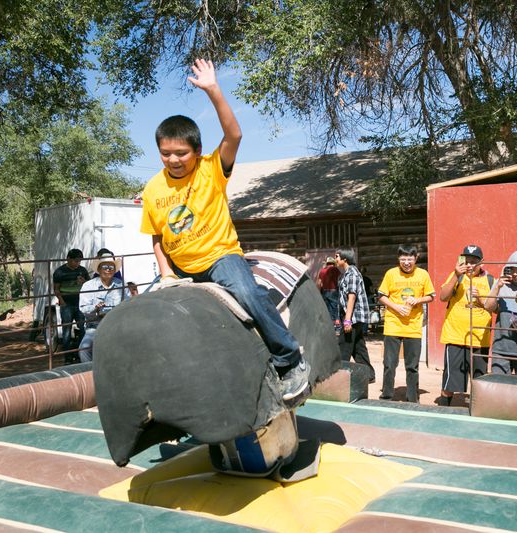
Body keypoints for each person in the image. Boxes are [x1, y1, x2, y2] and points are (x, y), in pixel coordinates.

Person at [139, 58, 308, 406]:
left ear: (197, 151)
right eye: (166, 154)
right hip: (180, 268)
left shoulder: (211, 169)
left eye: (181, 153)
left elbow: (234, 134)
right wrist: (166, 273)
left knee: (248, 294)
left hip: (220, 257)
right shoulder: (153, 189)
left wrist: (213, 90)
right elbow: (157, 237)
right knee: (145, 314)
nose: (173, 160)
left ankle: (290, 359)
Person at [437, 245, 494, 406]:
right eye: (466, 261)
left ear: (481, 263)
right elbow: (443, 297)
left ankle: (478, 410)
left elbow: (494, 307)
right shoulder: (457, 276)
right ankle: (444, 409)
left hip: (479, 339)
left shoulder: (490, 280)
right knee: (450, 379)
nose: (469, 265)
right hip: (456, 336)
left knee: (479, 379)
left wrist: (481, 299)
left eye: (473, 262)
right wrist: (456, 275)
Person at [377, 245, 435, 402]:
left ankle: (412, 397)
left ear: (416, 258)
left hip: (413, 326)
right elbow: (381, 296)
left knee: (412, 366)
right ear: (398, 259)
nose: (407, 262)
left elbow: (431, 296)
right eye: (403, 259)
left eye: (410, 259)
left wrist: (418, 300)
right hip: (393, 325)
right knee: (389, 364)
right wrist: (396, 307)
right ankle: (387, 395)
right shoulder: (391, 274)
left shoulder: (423, 274)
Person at [484, 250, 517, 377]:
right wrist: (497, 287)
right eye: (512, 269)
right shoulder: (501, 285)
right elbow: (488, 307)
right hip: (501, 348)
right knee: (499, 388)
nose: (515, 273)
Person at [78, 252, 131, 363]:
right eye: (105, 266)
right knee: (84, 349)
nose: (108, 269)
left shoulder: (121, 285)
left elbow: (128, 305)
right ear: (99, 269)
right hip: (94, 327)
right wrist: (95, 308)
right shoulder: (88, 286)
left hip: (116, 326)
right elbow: (83, 308)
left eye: (111, 267)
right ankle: (91, 372)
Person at [335, 248, 375, 382]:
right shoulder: (344, 275)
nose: (335, 259)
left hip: (354, 317)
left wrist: (347, 321)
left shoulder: (352, 274)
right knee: (358, 347)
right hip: (350, 316)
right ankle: (368, 375)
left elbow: (351, 297)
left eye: (337, 257)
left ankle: (338, 376)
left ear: (344, 259)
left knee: (344, 346)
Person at [52, 248, 89, 359]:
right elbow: (56, 289)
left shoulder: (82, 270)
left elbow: (90, 284)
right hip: (67, 303)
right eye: (75, 261)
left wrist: (84, 282)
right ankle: (67, 356)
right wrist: (62, 302)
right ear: (68, 259)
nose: (77, 263)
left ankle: (80, 353)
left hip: (80, 302)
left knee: (83, 327)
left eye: (79, 261)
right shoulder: (60, 272)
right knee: (66, 330)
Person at [316, 257, 340, 324]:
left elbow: (319, 283)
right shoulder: (335, 269)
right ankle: (337, 326)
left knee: (327, 309)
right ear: (333, 263)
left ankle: (329, 324)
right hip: (333, 291)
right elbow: (339, 279)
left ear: (327, 263)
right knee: (335, 309)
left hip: (324, 292)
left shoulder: (322, 270)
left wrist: (319, 292)